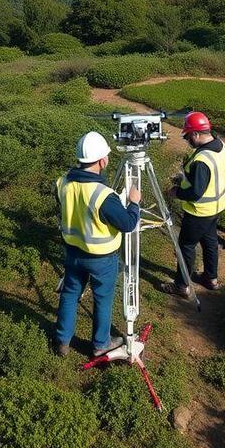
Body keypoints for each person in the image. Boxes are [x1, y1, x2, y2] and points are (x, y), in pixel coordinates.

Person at [52, 131, 141, 358]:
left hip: (73, 252)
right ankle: (100, 344)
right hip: (102, 258)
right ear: (103, 160)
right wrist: (133, 203)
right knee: (102, 298)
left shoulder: (62, 183)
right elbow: (128, 224)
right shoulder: (104, 195)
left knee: (71, 293)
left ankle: (62, 340)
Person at [160, 111, 225, 297]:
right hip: (216, 207)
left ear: (197, 134)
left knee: (186, 246)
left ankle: (182, 286)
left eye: (188, 135)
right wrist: (184, 178)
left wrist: (177, 192)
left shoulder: (201, 161)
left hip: (199, 211)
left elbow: (196, 192)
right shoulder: (221, 146)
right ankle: (210, 278)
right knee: (210, 242)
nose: (187, 140)